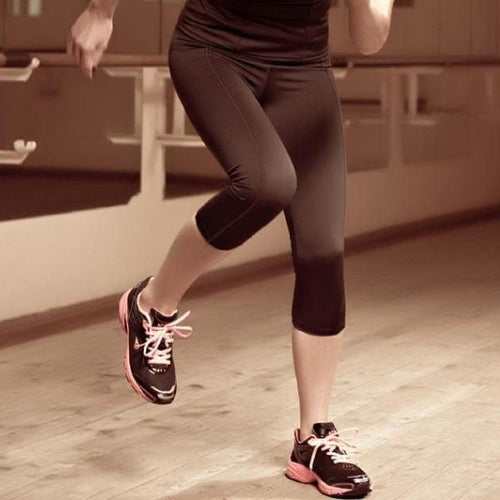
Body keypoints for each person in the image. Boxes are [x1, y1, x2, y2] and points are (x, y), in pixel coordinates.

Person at [68, 0, 394, 497]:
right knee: (266, 184)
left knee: (323, 252)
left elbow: (369, 40)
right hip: (214, 44)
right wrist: (100, 12)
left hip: (304, 64)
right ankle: (152, 304)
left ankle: (312, 439)